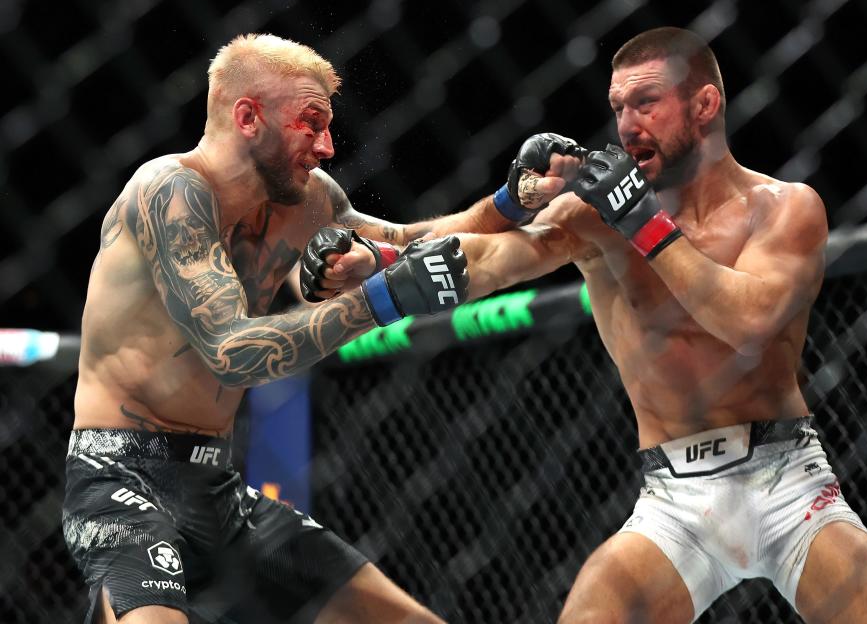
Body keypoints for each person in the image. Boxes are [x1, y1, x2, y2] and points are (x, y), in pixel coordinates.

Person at [306, 27, 867, 623]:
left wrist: (646, 224)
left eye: (648, 103)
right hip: (674, 501)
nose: (629, 126)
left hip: (788, 481)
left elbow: (752, 323)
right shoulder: (596, 215)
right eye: (619, 107)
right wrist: (380, 264)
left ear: (705, 103)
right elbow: (492, 257)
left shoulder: (785, 208)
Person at [62, 32, 582, 624]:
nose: (328, 146)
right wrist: (381, 301)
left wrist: (510, 202)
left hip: (218, 487)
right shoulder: (170, 194)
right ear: (248, 116)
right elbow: (231, 352)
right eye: (310, 123)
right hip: (122, 479)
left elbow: (412, 244)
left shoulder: (308, 202)